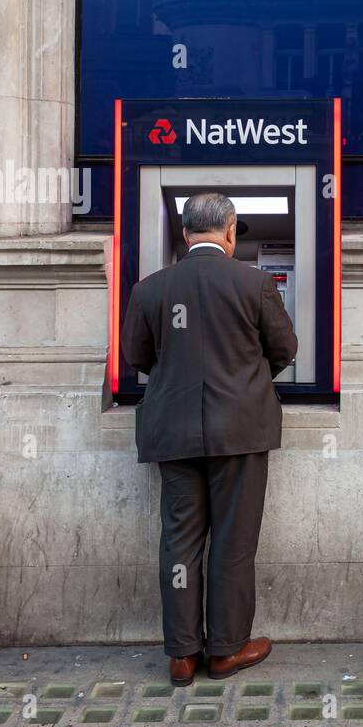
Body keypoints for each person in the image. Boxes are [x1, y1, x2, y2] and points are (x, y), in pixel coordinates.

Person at [121, 191, 298, 685]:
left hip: (172, 431)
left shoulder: (150, 288)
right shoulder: (255, 282)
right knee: (233, 544)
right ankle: (225, 650)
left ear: (183, 234)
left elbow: (138, 355)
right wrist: (246, 378)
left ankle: (181, 654)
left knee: (179, 540)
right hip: (239, 430)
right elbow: (284, 348)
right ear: (231, 230)